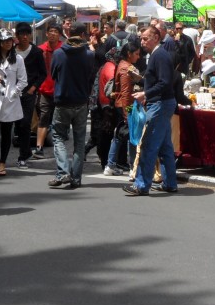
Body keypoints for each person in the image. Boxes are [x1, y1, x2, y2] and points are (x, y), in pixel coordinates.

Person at [123, 24, 184, 196]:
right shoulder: (156, 55)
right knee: (165, 147)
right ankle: (170, 183)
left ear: (156, 38)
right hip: (161, 103)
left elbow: (165, 82)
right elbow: (159, 80)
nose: (142, 42)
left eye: (145, 38)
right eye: (141, 38)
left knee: (149, 145)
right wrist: (142, 81)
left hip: (160, 104)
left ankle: (141, 185)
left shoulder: (160, 55)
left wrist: (145, 94)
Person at [48, 22, 95, 190]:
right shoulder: (89, 55)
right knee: (79, 141)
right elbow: (91, 77)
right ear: (83, 35)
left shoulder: (59, 54)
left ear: (69, 33)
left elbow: (53, 74)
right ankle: (75, 178)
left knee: (58, 137)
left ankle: (63, 172)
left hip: (63, 101)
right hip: (81, 102)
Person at [0, 28, 27, 177]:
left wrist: (13, 93)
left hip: (10, 101)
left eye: (10, 40)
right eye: (5, 41)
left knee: (6, 133)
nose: (8, 43)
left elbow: (23, 80)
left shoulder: (18, 59)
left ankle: (2, 162)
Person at [104, 38, 142, 176]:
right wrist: (127, 113)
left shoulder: (122, 64)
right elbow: (126, 92)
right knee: (132, 136)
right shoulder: (126, 68)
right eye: (136, 54)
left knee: (119, 135)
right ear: (129, 53)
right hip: (126, 106)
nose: (138, 56)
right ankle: (133, 166)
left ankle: (111, 164)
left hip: (122, 104)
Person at [12, 22, 45, 168]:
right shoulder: (11, 51)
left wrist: (33, 88)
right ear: (17, 36)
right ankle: (26, 151)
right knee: (17, 124)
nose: (25, 37)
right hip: (13, 93)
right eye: (22, 34)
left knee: (25, 123)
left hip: (29, 92)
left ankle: (23, 155)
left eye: (27, 34)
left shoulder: (36, 52)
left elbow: (42, 73)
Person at [33, 22, 64, 159]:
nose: (53, 34)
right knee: (43, 118)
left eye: (56, 32)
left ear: (59, 34)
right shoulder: (40, 49)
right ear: (46, 33)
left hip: (60, 90)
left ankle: (60, 148)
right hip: (44, 90)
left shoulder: (63, 49)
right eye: (50, 31)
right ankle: (39, 147)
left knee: (60, 120)